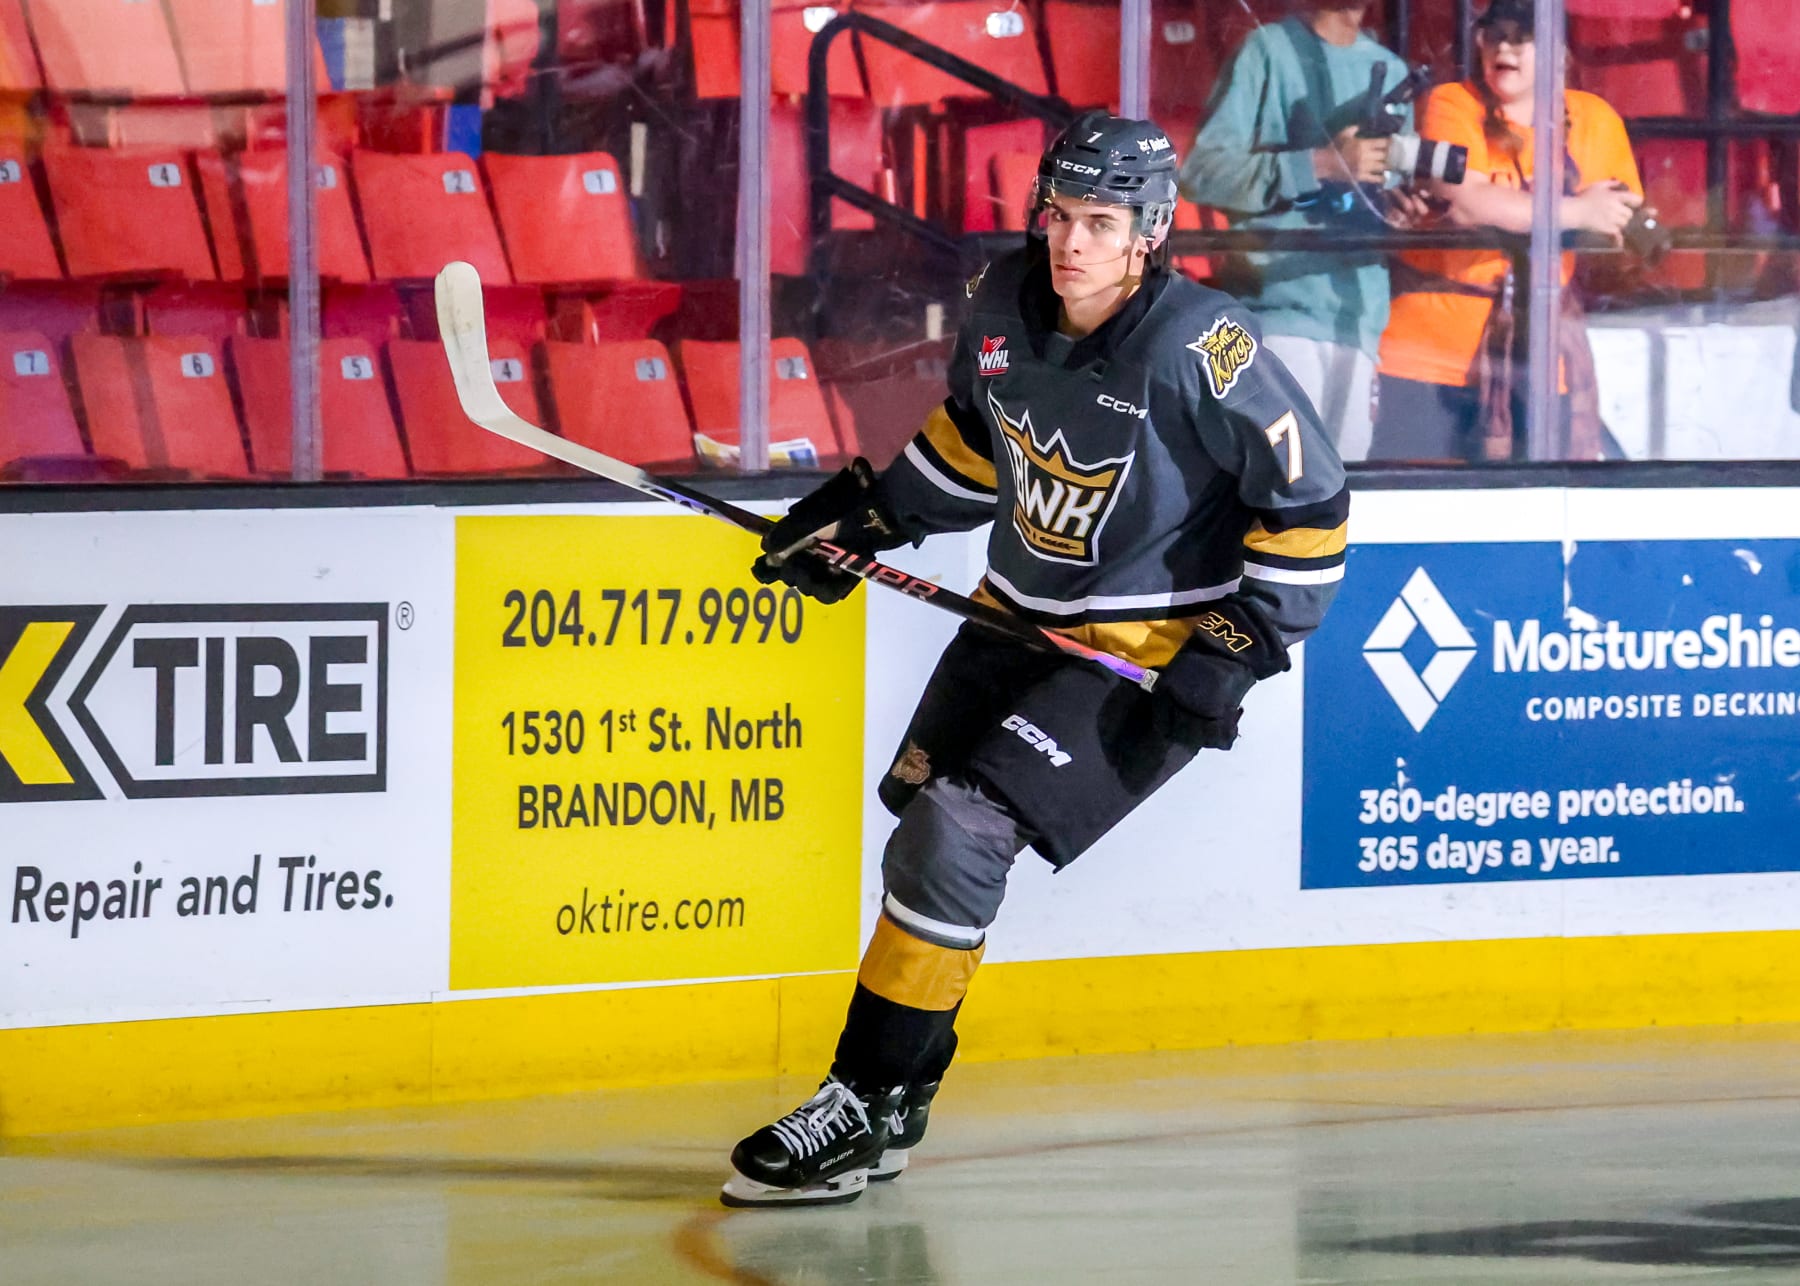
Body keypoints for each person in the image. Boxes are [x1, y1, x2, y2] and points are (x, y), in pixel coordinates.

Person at [720, 112, 1351, 1209]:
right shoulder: (1003, 304)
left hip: (1137, 653)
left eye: (1101, 223)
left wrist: (1246, 642)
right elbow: (978, 439)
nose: (1070, 241)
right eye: (1058, 214)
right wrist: (868, 521)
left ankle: (862, 1096)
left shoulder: (1202, 346)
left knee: (957, 832)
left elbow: (1309, 503)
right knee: (923, 829)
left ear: (1147, 232)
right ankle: (900, 1095)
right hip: (1011, 616)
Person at [1371, 0, 1644, 462]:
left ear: (1558, 51)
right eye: (1495, 34)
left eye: (1523, 36)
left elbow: (1622, 216)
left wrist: (1585, 215)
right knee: (1416, 506)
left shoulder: (1594, 118)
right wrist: (1577, 211)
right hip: (1430, 355)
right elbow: (1469, 201)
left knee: (1538, 504)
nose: (1506, 47)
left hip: (1537, 356)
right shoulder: (1452, 102)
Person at [1179, 0, 1428, 463]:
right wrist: (1323, 163)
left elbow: (1383, 192)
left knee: (1339, 496)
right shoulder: (1266, 50)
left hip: (1358, 319)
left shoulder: (1392, 71)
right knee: (1283, 492)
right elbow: (1200, 173)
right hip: (1273, 314)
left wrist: (1398, 210)